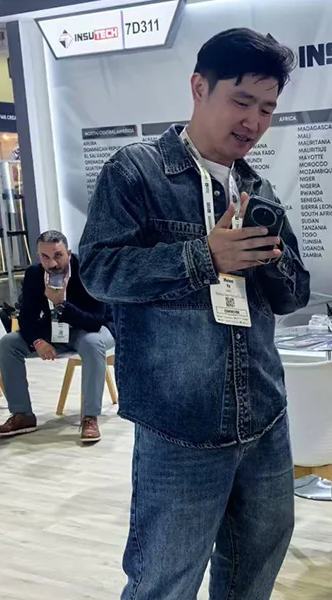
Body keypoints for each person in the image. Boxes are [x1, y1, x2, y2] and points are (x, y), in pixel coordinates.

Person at [78, 28, 309, 599]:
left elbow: (294, 295)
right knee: (164, 582)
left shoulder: (257, 188)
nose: (253, 121)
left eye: (267, 109)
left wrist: (271, 258)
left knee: (254, 572)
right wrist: (204, 256)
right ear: (199, 87)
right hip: (180, 426)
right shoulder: (137, 172)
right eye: (242, 101)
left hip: (263, 415)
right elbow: (99, 272)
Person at [0, 230, 115, 443]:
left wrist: (60, 304)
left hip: (91, 329)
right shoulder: (34, 274)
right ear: (39, 256)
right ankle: (22, 415)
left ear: (69, 253)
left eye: (58, 255)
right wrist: (37, 341)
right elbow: (26, 317)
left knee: (92, 343)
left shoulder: (87, 270)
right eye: (45, 257)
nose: (52, 263)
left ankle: (90, 418)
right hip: (53, 330)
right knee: (8, 343)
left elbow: (95, 321)